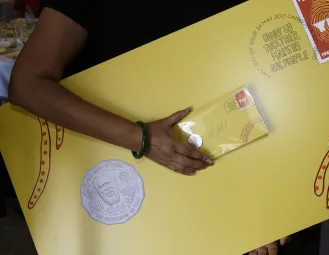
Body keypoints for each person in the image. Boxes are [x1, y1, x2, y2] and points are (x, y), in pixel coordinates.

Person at [8, 0, 249, 176]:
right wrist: (142, 138)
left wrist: (267, 209)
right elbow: (27, 84)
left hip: (223, 169)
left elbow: (263, 78)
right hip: (116, 180)